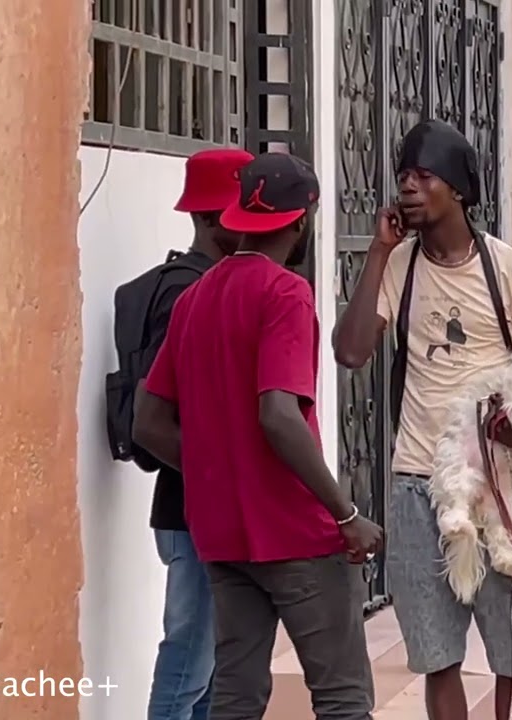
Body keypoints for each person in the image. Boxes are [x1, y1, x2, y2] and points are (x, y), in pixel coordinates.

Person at [133, 152, 383, 720]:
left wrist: (218, 470)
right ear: (301, 222)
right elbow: (278, 414)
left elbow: (147, 422)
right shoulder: (285, 293)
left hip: (221, 535)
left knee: (235, 696)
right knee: (342, 697)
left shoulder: (196, 298)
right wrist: (345, 515)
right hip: (296, 533)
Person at [333, 119, 512, 720]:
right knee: (437, 656)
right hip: (417, 485)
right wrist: (378, 250)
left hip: (499, 489)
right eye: (402, 176)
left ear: (457, 188)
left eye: (423, 176)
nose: (408, 187)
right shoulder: (398, 267)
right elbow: (351, 351)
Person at [144, 147, 252, 720]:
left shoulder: (204, 283)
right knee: (187, 666)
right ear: (212, 220)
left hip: (199, 507)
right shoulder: (190, 292)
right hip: (192, 511)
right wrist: (220, 478)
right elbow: (161, 412)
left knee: (209, 671)